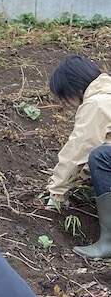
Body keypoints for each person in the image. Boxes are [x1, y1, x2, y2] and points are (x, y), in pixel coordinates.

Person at [47, 55, 111, 260]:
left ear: (75, 90)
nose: (69, 105)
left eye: (67, 99)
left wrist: (56, 193)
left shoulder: (97, 104)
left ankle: (109, 242)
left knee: (99, 157)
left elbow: (77, 151)